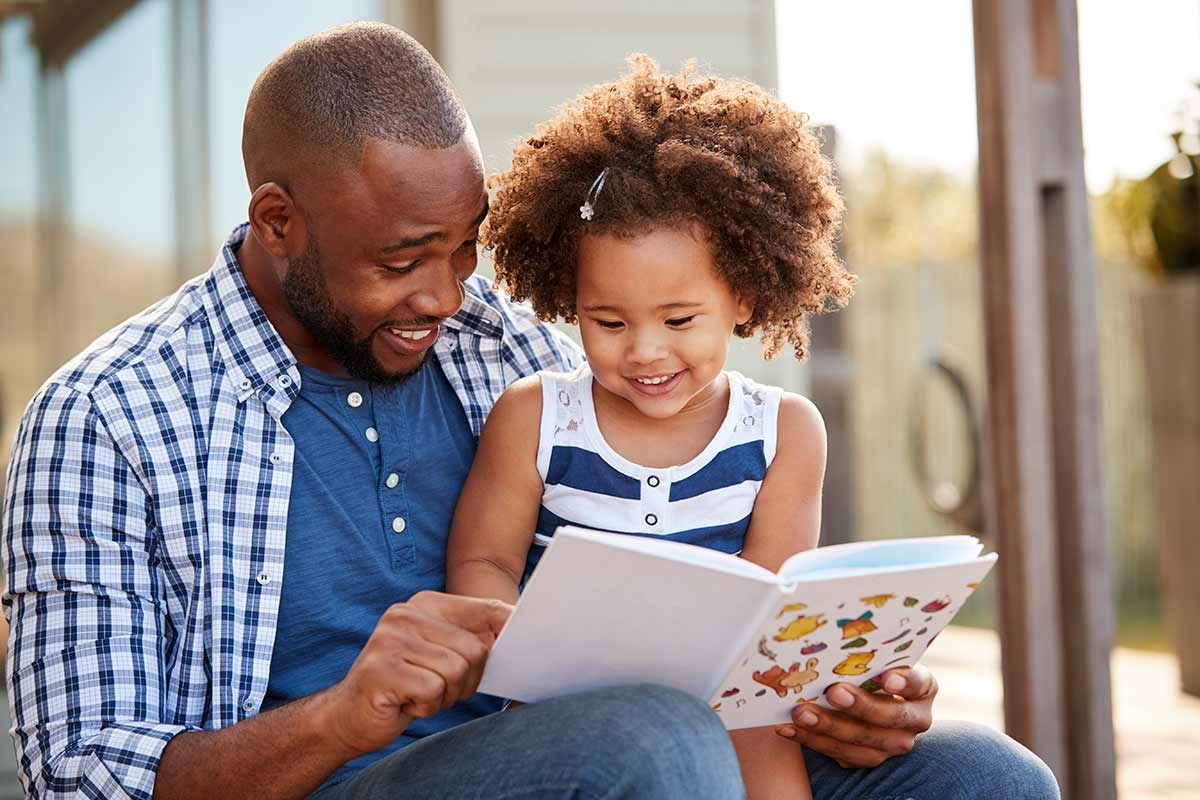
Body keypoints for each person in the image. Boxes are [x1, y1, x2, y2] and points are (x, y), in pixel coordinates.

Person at [1, 22, 1058, 800]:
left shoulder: (502, 339)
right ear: (278, 220)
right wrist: (340, 714)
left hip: (610, 746)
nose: (448, 295)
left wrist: (830, 681)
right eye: (402, 260)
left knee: (986, 775)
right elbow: (79, 772)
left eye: (464, 247)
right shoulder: (108, 417)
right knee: (653, 743)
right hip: (354, 777)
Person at [445, 54, 854, 800]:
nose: (644, 351)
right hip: (564, 707)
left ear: (745, 294)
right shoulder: (536, 417)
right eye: (608, 321)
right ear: (570, 301)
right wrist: (519, 634)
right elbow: (483, 565)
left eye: (679, 319)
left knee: (754, 724)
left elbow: (766, 609)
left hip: (726, 703)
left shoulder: (784, 433)